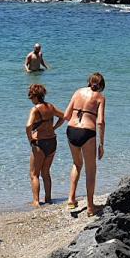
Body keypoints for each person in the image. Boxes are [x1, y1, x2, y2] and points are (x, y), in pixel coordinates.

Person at [64, 72, 107, 217]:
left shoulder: (77, 92)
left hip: (71, 130)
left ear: (89, 82)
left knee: (77, 164)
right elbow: (100, 121)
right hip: (87, 133)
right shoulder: (100, 97)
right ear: (101, 86)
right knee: (91, 170)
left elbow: (66, 115)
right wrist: (101, 144)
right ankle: (90, 207)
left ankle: (71, 199)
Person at [25, 83, 66, 207]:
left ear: (35, 96)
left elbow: (28, 126)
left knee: (34, 174)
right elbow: (64, 117)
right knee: (46, 172)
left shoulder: (35, 109)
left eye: (31, 96)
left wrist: (30, 138)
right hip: (52, 142)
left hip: (40, 143)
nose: (30, 99)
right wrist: (54, 128)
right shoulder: (50, 106)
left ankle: (36, 201)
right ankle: (48, 199)